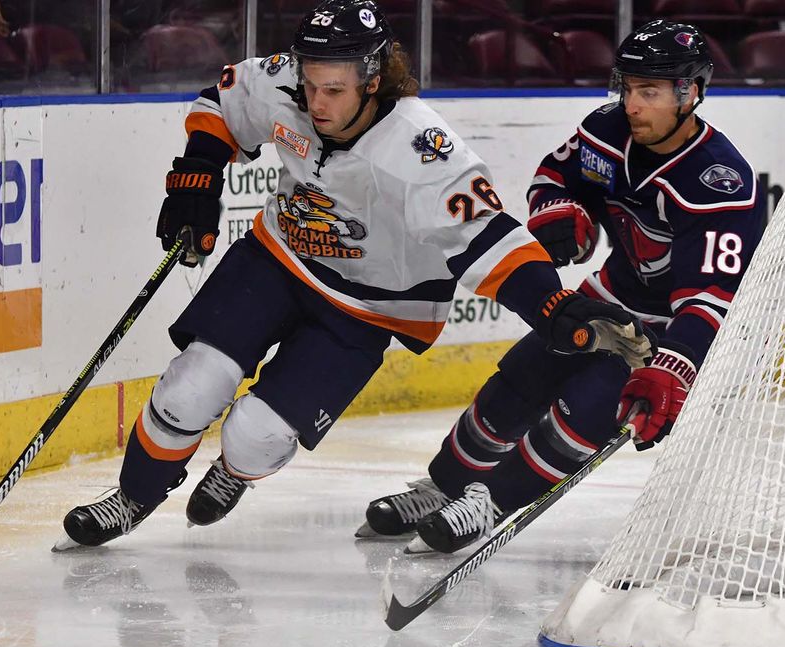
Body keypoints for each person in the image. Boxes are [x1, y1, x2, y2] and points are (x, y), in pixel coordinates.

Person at [53, 0, 654, 551]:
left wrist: (549, 305)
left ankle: (235, 472)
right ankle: (133, 497)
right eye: (310, 85)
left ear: (373, 79)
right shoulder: (287, 80)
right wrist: (199, 175)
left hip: (368, 306)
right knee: (192, 384)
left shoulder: (423, 148)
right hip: (278, 259)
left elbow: (487, 237)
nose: (316, 104)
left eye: (334, 91)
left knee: (255, 436)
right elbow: (222, 105)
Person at [357, 19, 766, 554]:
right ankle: (443, 489)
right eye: (628, 87)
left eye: (649, 92)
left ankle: (489, 503)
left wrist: (674, 366)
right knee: (516, 383)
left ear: (690, 94)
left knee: (584, 411)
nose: (633, 104)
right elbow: (556, 175)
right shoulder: (605, 130)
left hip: (675, 331)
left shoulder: (720, 182)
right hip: (608, 300)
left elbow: (712, 298)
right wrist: (558, 210)